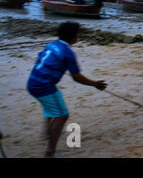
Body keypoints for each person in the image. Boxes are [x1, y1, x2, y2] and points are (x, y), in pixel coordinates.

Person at [26, 22, 108, 157]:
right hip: (44, 86)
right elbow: (77, 77)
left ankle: (47, 132)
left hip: (33, 82)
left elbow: (41, 58)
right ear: (74, 37)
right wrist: (95, 84)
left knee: (52, 106)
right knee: (62, 115)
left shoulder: (52, 44)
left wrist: (56, 68)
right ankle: (50, 152)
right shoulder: (68, 52)